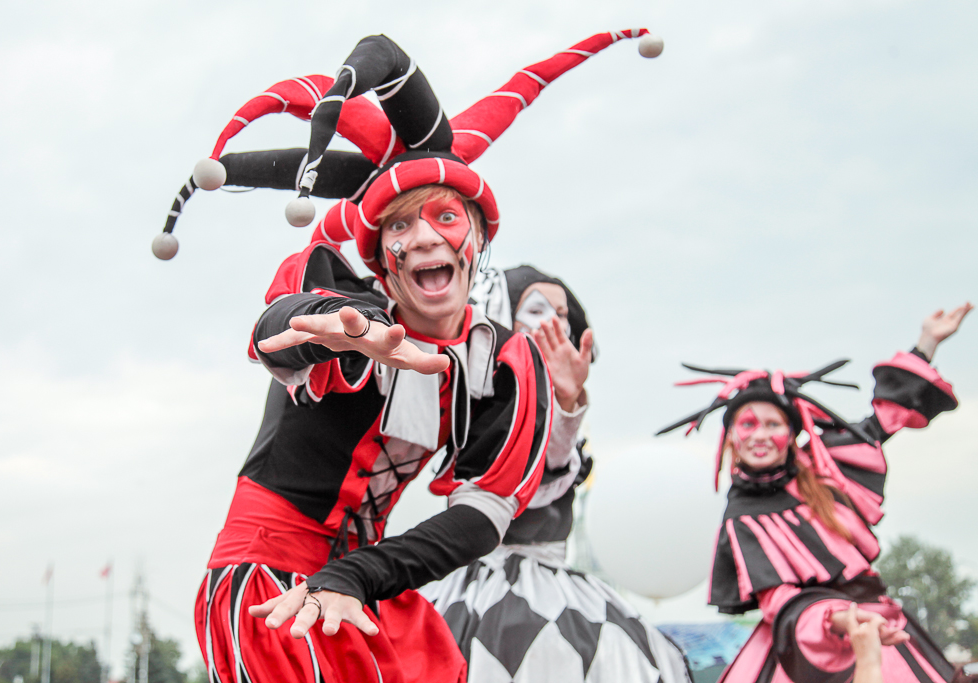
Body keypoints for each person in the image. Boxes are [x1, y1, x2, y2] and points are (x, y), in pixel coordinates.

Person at [160, 29, 664, 683]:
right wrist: (327, 330)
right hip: (271, 579)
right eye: (399, 225)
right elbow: (283, 326)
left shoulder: (501, 363)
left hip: (366, 583)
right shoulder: (351, 306)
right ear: (382, 261)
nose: (424, 235)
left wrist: (355, 574)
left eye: (444, 216)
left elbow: (481, 516)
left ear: (477, 238)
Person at [657, 303, 972, 683]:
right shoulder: (741, 514)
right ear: (732, 438)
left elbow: (884, 418)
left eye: (773, 423)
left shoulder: (826, 467)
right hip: (805, 645)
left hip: (880, 628)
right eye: (748, 424)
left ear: (791, 434)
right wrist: (842, 619)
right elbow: (779, 600)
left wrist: (927, 342)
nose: (760, 435)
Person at [420, 265, 693, 682]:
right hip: (478, 587)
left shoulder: (558, 403)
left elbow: (551, 464)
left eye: (564, 313)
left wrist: (565, 404)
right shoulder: (474, 404)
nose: (555, 322)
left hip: (550, 585)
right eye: (537, 309)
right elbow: (526, 476)